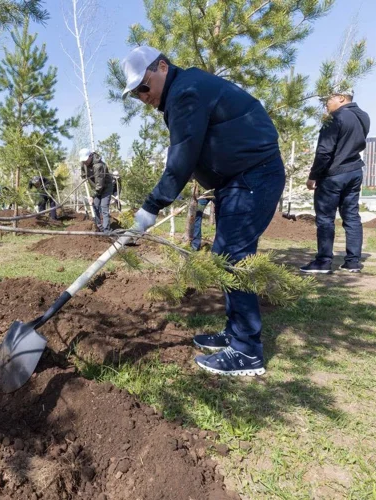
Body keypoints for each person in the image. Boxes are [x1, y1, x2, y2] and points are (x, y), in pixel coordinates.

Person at [122, 45, 285, 376]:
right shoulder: (184, 90)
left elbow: (181, 159)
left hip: (254, 175)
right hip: (238, 181)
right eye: (136, 92)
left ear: (163, 67)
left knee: (234, 258)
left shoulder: (187, 92)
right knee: (225, 255)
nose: (142, 96)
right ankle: (235, 333)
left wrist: (151, 207)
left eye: (143, 86)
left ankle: (247, 352)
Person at [300, 88, 370, 274]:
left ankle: (323, 261)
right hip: (354, 171)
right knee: (352, 217)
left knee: (325, 219)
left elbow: (324, 151)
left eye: (327, 100)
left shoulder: (335, 118)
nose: (325, 104)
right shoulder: (363, 116)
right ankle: (353, 262)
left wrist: (313, 177)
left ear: (341, 98)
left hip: (333, 175)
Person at [79, 148, 114, 233]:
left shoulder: (98, 166)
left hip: (105, 187)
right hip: (97, 188)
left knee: (104, 207)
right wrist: (83, 176)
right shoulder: (84, 162)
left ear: (90, 156)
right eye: (83, 161)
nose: (85, 162)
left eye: (86, 160)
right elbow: (83, 173)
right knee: (94, 206)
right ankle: (99, 228)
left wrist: (92, 196)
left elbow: (100, 184)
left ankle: (106, 231)